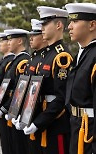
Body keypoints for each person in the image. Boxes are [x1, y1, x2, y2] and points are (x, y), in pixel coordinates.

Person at [23, 6, 73, 154]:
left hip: (55, 123)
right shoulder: (45, 55)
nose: (42, 28)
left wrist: (39, 122)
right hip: (40, 117)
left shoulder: (61, 56)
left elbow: (62, 97)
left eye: (45, 24)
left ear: (58, 25)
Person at [0, 29, 30, 154]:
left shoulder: (23, 61)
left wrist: (4, 108)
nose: (8, 42)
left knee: (18, 146)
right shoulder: (16, 60)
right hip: (10, 106)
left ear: (19, 41)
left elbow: (20, 90)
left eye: (10, 40)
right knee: (10, 144)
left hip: (16, 108)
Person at [65, 3, 96, 154]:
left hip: (90, 134)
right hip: (77, 127)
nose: (69, 26)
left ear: (92, 25)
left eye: (75, 21)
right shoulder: (81, 54)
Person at [14, 18, 48, 154]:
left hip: (44, 113)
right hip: (31, 111)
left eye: (35, 35)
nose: (31, 38)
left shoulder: (55, 57)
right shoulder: (33, 58)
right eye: (31, 35)